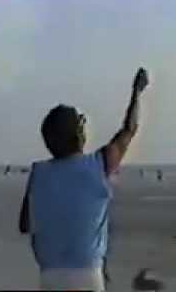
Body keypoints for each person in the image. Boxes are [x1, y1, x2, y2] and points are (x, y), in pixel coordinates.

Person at [19, 68, 149, 291]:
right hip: (87, 273)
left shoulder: (38, 173)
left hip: (50, 274)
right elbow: (129, 129)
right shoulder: (99, 164)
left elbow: (25, 225)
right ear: (78, 134)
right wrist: (136, 92)